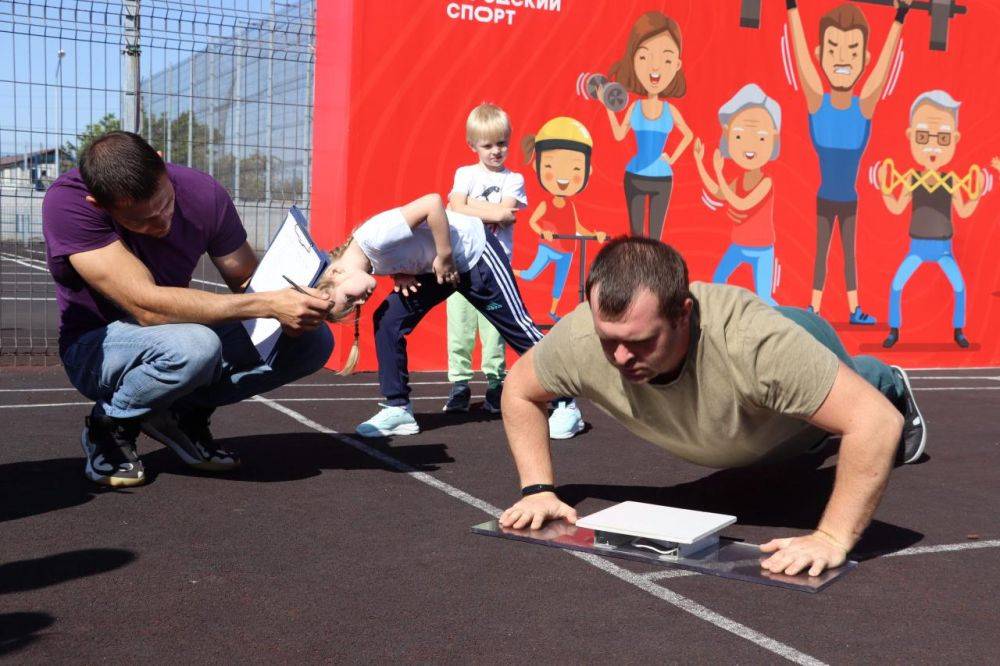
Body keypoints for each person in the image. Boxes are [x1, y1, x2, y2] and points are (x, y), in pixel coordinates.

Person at [497, 237, 926, 577]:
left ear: (683, 314)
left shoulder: (756, 345)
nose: (622, 356)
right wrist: (538, 490)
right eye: (610, 339)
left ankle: (884, 377)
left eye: (641, 341)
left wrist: (832, 538)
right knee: (769, 443)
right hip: (756, 415)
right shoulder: (583, 337)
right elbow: (519, 389)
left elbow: (875, 422)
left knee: (845, 403)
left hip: (799, 344)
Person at [42, 131, 335, 488]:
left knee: (313, 341)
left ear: (163, 161)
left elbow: (246, 280)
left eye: (165, 204)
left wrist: (310, 298)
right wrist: (268, 305)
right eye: (142, 221)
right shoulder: (69, 203)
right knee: (195, 346)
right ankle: (111, 425)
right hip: (95, 347)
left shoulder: (203, 193)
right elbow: (146, 306)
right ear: (100, 205)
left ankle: (183, 413)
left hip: (173, 336)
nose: (162, 222)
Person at [318, 193, 584, 439]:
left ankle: (566, 404)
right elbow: (404, 246)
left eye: (350, 298)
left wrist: (444, 255)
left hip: (475, 256)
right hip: (437, 272)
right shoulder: (366, 260)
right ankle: (398, 408)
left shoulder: (373, 236)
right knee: (388, 320)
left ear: (336, 274)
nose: (361, 300)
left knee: (518, 329)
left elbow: (433, 204)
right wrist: (401, 271)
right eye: (354, 304)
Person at [786, 0, 912, 324]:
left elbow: (883, 69)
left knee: (849, 257)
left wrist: (900, 16)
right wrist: (792, 8)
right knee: (821, 254)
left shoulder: (863, 107)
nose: (842, 59)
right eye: (833, 49)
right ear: (820, 55)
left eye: (853, 51)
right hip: (826, 198)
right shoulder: (818, 102)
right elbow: (800, 58)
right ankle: (814, 307)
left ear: (864, 59)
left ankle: (854, 309)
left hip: (849, 199)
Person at [879, 91, 991, 349]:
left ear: (954, 139)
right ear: (911, 137)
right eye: (922, 137)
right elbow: (896, 207)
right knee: (897, 285)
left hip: (944, 249)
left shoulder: (951, 181)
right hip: (916, 247)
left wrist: (978, 192)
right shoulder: (911, 179)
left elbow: (963, 211)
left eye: (942, 138)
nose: (932, 146)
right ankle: (894, 331)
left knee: (959, 287)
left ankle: (958, 331)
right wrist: (886, 189)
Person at [443, 103, 527, 414]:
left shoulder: (514, 179)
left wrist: (470, 207)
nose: (496, 151)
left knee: (495, 332)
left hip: (495, 268)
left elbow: (508, 214)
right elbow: (455, 207)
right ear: (473, 145)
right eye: (488, 145)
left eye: (501, 143)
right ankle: (460, 386)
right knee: (461, 329)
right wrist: (492, 212)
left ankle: (495, 386)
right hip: (463, 266)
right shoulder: (464, 173)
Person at [601, 11, 693, 240]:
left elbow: (688, 135)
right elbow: (620, 135)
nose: (655, 67)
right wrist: (609, 109)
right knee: (636, 237)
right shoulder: (635, 107)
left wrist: (671, 157)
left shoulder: (670, 110)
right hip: (634, 176)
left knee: (655, 238)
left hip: (662, 178)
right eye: (644, 57)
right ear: (633, 60)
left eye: (667, 58)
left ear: (677, 64)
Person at [693, 83, 781, 306]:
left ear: (772, 141)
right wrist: (699, 162)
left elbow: (741, 204)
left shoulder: (766, 181)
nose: (750, 145)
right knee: (718, 281)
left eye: (760, 138)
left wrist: (719, 171)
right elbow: (718, 193)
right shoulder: (740, 180)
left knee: (764, 301)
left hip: (762, 250)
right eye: (740, 137)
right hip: (739, 245)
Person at [515, 117, 607, 323]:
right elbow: (532, 221)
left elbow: (578, 228)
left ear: (587, 171)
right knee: (530, 275)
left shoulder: (570, 206)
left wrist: (594, 235)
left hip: (567, 250)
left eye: (575, 169)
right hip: (548, 247)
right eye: (550, 166)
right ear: (537, 167)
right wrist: (542, 232)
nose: (563, 176)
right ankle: (508, 273)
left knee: (560, 283)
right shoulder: (546, 204)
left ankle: (553, 312)